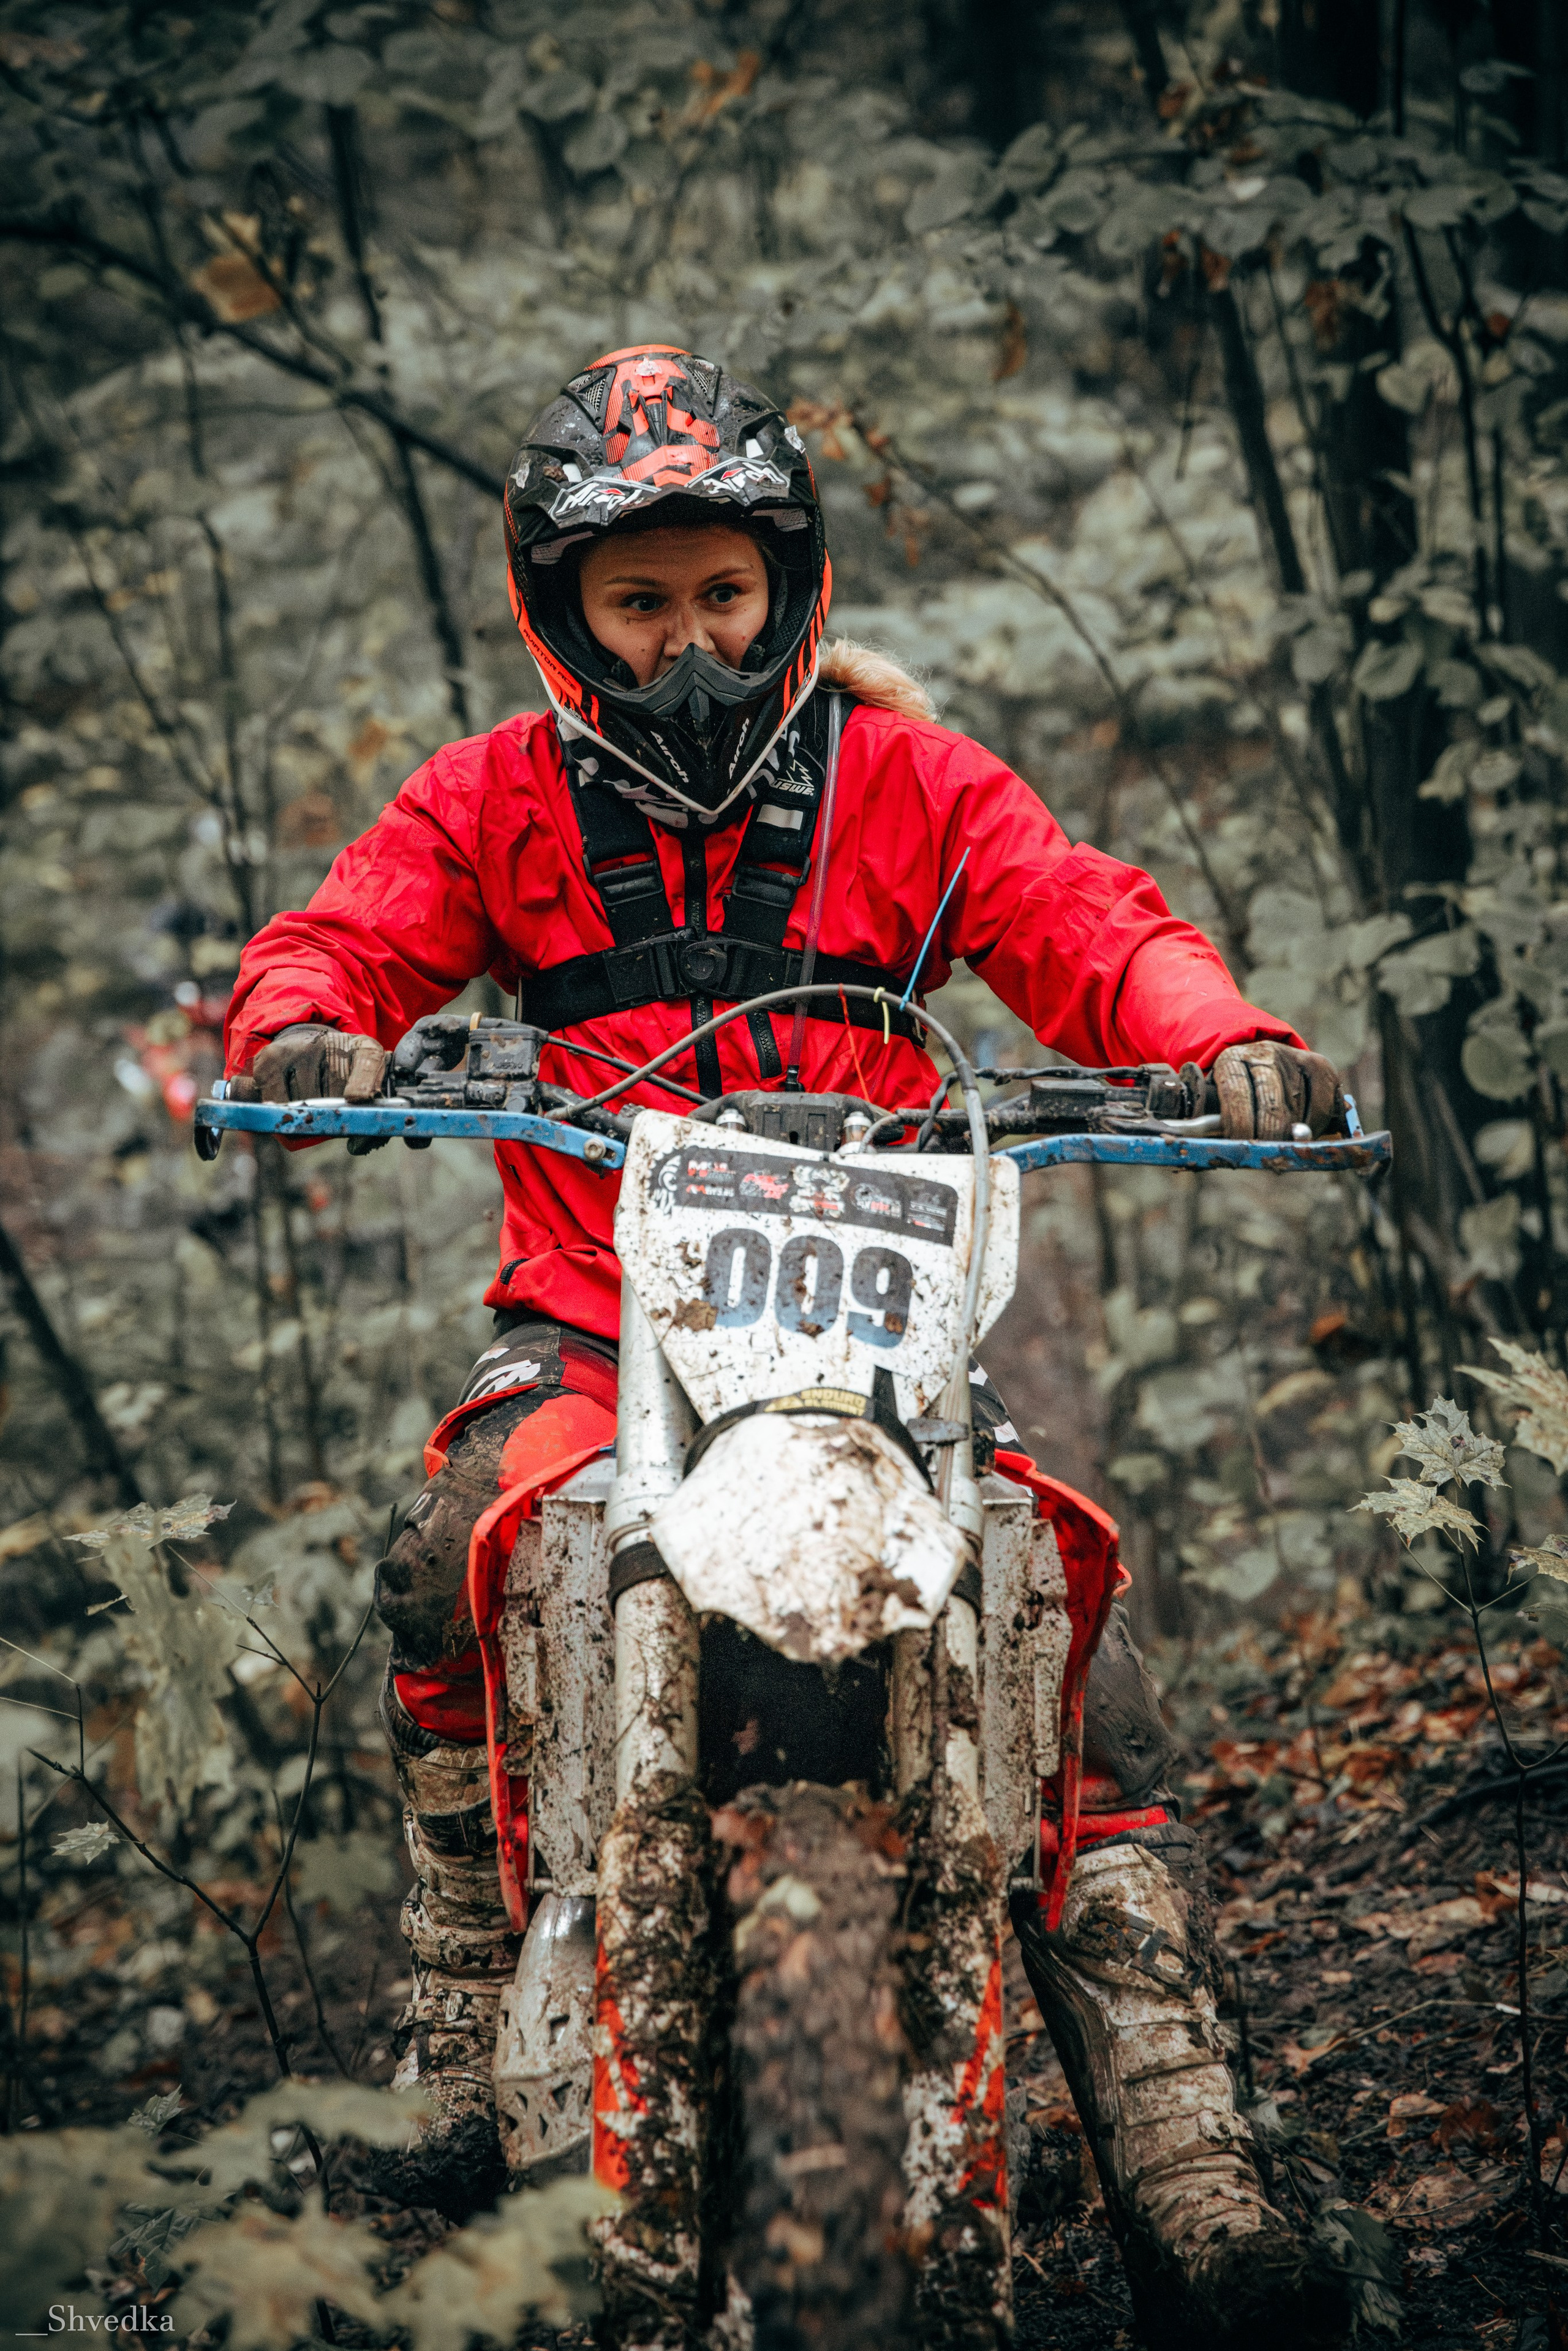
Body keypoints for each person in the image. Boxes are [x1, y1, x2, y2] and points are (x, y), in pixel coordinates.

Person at [225, 347, 1346, 2341]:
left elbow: (1084, 918)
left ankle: (1189, 2157)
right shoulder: (492, 795)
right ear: (564, 612)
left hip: (881, 1350)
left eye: (718, 596)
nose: (686, 644)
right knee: (449, 1545)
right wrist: (303, 1025)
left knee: (1068, 1618)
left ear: (789, 585)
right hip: (597, 1325)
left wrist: (1220, 1035)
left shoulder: (912, 780)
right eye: (638, 603)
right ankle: (456, 1996)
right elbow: (344, 935)